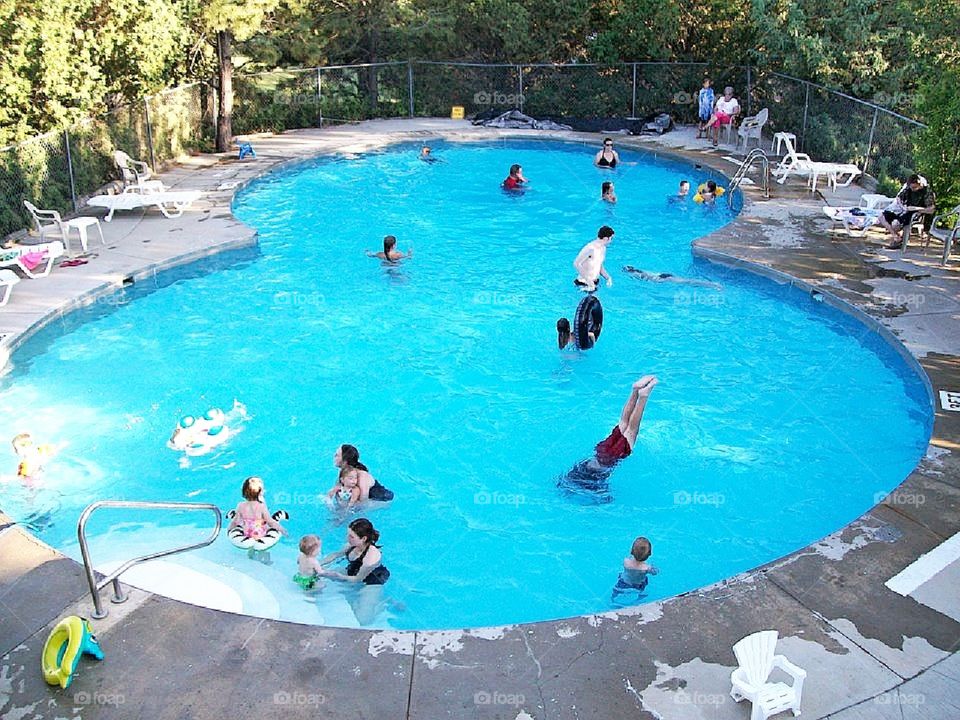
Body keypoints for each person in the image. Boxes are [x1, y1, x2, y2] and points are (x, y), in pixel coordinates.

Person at [557, 376, 658, 503]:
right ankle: (635, 390)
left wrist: (606, 499)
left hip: (612, 458)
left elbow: (600, 490)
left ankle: (643, 396)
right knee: (623, 422)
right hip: (601, 451)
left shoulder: (593, 482)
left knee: (632, 430)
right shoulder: (575, 473)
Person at [320, 518, 390, 585]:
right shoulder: (352, 545)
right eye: (348, 534)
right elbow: (335, 555)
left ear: (364, 538)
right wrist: (319, 564)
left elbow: (358, 579)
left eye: (351, 536)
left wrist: (338, 576)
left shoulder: (371, 556)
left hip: (373, 580)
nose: (347, 538)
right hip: (355, 570)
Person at [879, 174, 936, 249]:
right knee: (881, 217)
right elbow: (899, 198)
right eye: (911, 187)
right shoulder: (909, 189)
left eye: (914, 187)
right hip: (903, 209)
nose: (912, 189)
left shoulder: (927, 192)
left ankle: (897, 240)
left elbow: (932, 210)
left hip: (914, 213)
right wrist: (902, 206)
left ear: (919, 184)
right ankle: (896, 237)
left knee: (895, 224)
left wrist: (916, 208)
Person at [227, 476, 288, 542]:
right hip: (260, 534)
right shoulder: (261, 506)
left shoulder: (240, 505)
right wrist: (282, 530)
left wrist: (229, 530)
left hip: (247, 533)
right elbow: (270, 522)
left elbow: (235, 521)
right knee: (265, 524)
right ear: (260, 493)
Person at [611, 536, 659, 604]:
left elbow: (630, 560)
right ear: (649, 554)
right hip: (638, 585)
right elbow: (655, 573)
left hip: (624, 582)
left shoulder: (626, 561)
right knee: (644, 587)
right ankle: (639, 599)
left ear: (632, 551)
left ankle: (613, 599)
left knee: (617, 589)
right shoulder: (646, 568)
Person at [573, 226, 615, 291]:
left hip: (594, 283)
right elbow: (576, 264)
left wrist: (608, 278)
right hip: (583, 283)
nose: (611, 241)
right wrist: (590, 282)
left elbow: (599, 265)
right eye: (611, 238)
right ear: (606, 238)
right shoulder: (590, 248)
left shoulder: (603, 248)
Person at [623, 265, 722, 289]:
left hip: (664, 279)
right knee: (688, 281)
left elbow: (645, 280)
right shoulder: (640, 271)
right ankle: (711, 284)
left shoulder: (635, 275)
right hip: (663, 276)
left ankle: (713, 285)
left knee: (688, 282)